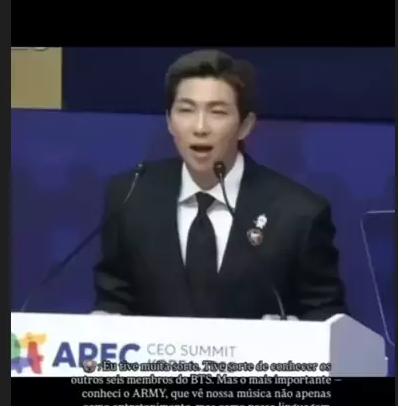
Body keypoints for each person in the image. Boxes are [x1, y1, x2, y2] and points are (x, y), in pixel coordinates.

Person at [93, 50, 348, 320]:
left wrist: (296, 332)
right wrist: (106, 319)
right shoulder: (130, 197)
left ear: (245, 126)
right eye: (186, 110)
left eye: (217, 112)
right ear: (169, 121)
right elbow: (115, 298)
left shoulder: (298, 213)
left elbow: (327, 314)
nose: (200, 127)